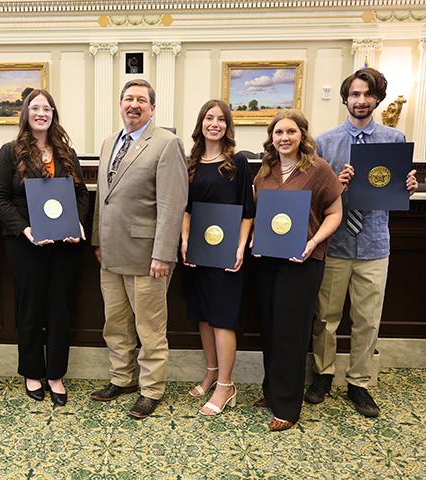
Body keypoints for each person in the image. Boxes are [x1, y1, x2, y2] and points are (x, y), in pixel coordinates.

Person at [305, 68, 418, 417]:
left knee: (368, 320)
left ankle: (359, 383)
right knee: (326, 317)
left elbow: (396, 192)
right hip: (335, 244)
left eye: (367, 94)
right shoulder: (325, 142)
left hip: (374, 243)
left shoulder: (394, 140)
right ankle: (323, 374)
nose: (361, 100)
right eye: (355, 94)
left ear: (377, 99)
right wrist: (335, 184)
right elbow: (314, 198)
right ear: (345, 97)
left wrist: (408, 188)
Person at [89, 79, 188, 419]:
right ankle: (122, 378)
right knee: (115, 325)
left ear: (152, 107)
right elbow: (104, 197)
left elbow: (173, 205)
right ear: (120, 104)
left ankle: (151, 389)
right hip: (111, 254)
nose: (134, 104)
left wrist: (163, 253)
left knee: (149, 329)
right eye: (128, 98)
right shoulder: (109, 143)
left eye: (141, 100)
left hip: (148, 258)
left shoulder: (166, 143)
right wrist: (97, 241)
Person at [0, 90, 89, 406]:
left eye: (47, 108)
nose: (41, 113)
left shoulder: (66, 153)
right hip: (26, 244)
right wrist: (25, 229)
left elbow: (82, 196)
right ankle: (33, 372)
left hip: (64, 245)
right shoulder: (10, 151)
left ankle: (56, 374)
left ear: (54, 114)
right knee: (30, 308)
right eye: (35, 108)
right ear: (26, 113)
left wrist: (79, 223)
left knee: (59, 308)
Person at [253, 109, 343, 431]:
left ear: (302, 135)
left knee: (291, 332)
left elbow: (335, 212)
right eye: (279, 132)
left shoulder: (318, 169)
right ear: (271, 137)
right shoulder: (265, 171)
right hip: (266, 262)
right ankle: (271, 392)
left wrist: (313, 242)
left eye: (291, 132)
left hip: (303, 261)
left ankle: (288, 408)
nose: (284, 138)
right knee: (271, 328)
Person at [180, 100, 255, 415]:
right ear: (201, 123)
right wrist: (184, 242)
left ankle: (226, 385)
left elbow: (248, 212)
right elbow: (185, 208)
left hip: (226, 254)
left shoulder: (238, 162)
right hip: (198, 251)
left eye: (221, 119)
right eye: (209, 118)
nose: (214, 123)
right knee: (204, 315)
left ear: (228, 125)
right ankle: (211, 371)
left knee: (223, 319)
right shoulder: (190, 163)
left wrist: (240, 247)